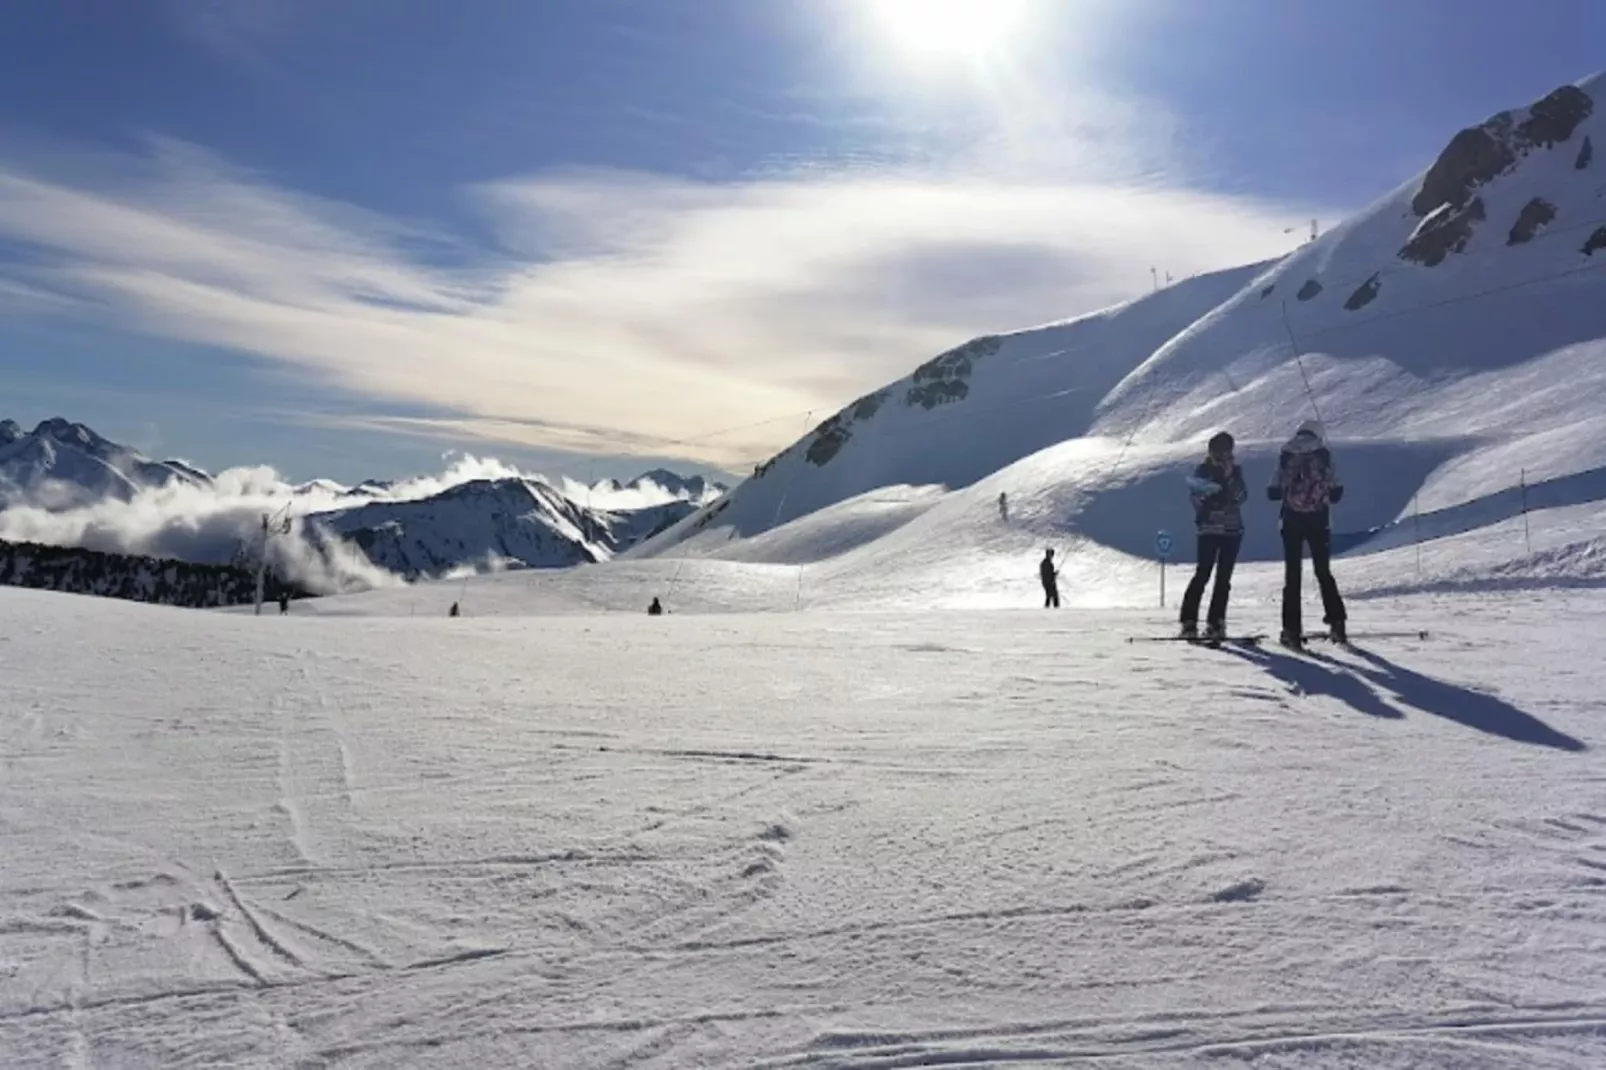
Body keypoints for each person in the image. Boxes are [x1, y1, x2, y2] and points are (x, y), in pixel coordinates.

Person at [1267, 419, 1347, 648]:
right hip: (1319, 520)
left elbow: (1272, 491)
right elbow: (1336, 494)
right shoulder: (1324, 454)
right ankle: (1337, 623)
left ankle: (1291, 630)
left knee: (1292, 576)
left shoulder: (1286, 453)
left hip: (1291, 521)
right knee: (1323, 572)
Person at [1180, 431, 1247, 641]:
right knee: (1203, 574)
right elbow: (1195, 498)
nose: (1222, 457)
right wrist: (1210, 492)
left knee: (1223, 579)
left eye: (1226, 452)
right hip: (1209, 530)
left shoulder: (1235, 471)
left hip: (1231, 530)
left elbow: (1241, 497)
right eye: (1218, 452)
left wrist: (1229, 478)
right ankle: (1189, 621)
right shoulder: (1202, 471)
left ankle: (1216, 622)